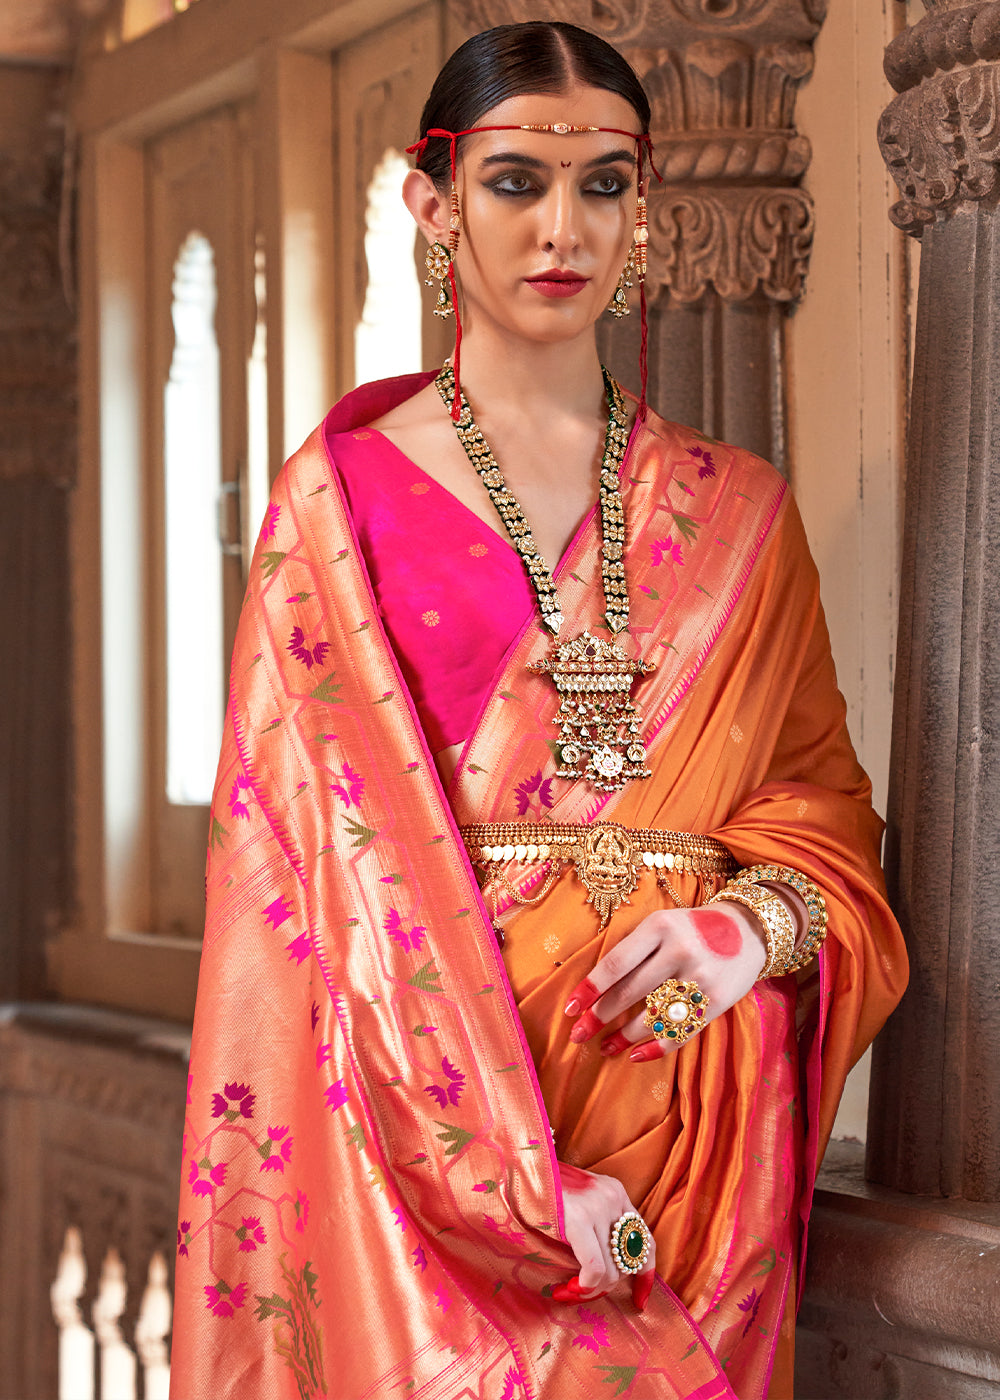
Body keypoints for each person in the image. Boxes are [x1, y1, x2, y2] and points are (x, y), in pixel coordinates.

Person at [169, 21, 907, 1400]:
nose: (564, 227)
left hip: (686, 1145)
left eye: (604, 184)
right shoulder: (340, 508)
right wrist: (499, 1178)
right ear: (434, 203)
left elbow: (822, 819)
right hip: (422, 1153)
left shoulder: (740, 513)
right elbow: (310, 895)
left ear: (644, 207)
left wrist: (745, 933)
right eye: (517, 182)